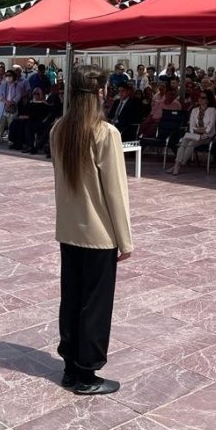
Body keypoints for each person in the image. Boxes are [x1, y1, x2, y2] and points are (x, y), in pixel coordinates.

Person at [51, 63, 132, 395]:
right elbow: (115, 192)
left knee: (71, 298)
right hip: (98, 233)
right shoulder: (104, 133)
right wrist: (125, 239)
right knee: (95, 305)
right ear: (101, 93)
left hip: (69, 230)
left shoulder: (59, 128)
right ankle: (87, 372)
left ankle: (70, 365)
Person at [170, 91, 216, 176]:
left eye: (203, 98)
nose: (200, 99)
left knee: (191, 143)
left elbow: (209, 129)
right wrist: (200, 129)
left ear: (208, 100)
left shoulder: (212, 110)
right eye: (200, 97)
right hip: (195, 135)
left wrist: (198, 129)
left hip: (207, 137)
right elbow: (191, 128)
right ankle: (177, 165)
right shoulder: (195, 110)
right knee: (183, 141)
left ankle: (178, 165)